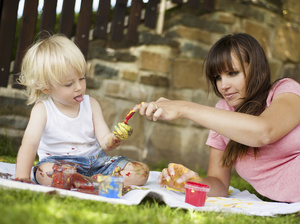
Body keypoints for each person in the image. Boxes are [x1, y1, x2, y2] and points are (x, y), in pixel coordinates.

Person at [133, 33, 300, 203]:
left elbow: (264, 132)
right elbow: (219, 184)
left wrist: (184, 107)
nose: (223, 85)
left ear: (259, 70)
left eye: (232, 73)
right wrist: (192, 183)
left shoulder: (286, 91)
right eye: (217, 77)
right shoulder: (222, 111)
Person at [15, 34, 149, 190]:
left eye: (82, 78)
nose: (79, 87)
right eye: (69, 84)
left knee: (141, 172)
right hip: (59, 164)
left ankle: (84, 182)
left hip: (96, 163)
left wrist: (113, 139)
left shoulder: (91, 104)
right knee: (45, 173)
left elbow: (104, 141)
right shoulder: (42, 110)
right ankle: (95, 183)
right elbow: (29, 145)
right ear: (46, 87)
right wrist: (22, 177)